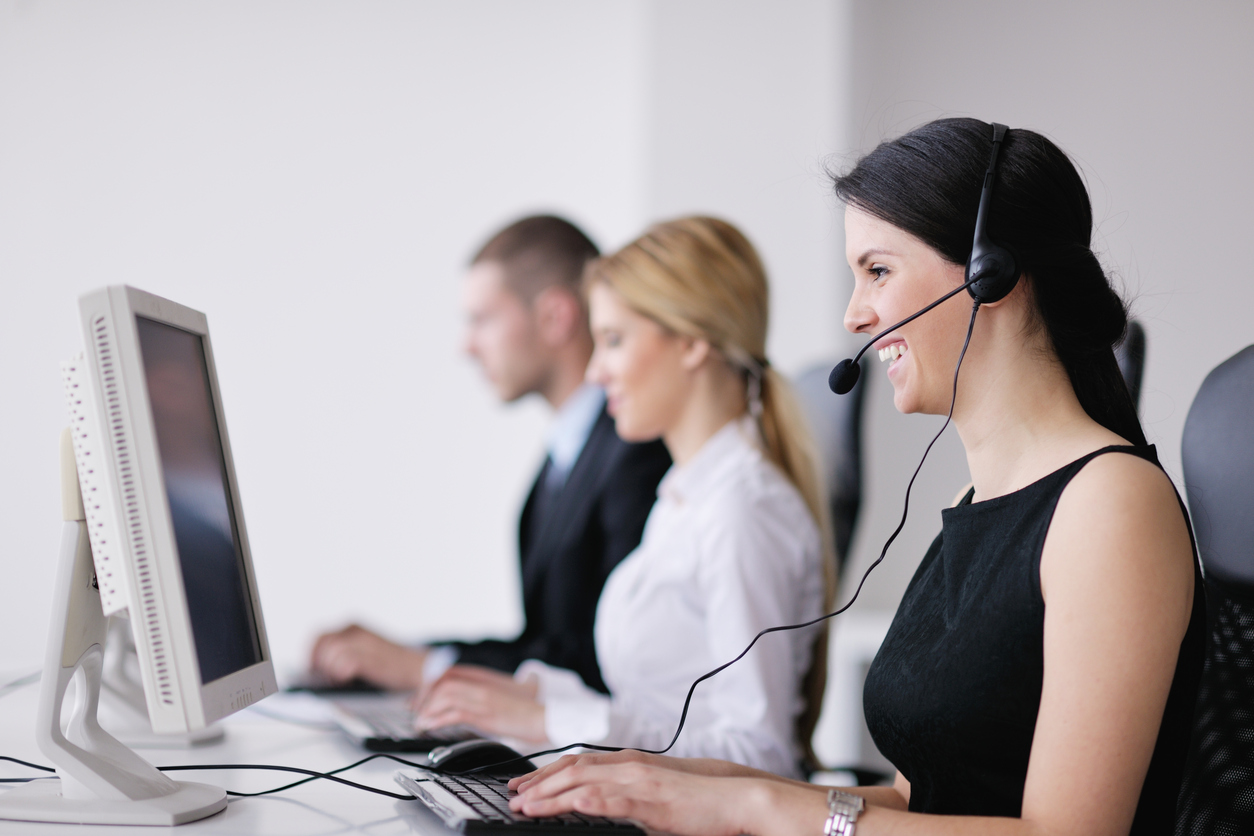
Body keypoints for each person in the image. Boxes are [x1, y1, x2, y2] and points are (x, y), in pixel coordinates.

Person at [504, 120, 1205, 836]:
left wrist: (761, 806)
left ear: (987, 271)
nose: (854, 315)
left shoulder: (1112, 506)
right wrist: (670, 782)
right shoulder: (975, 503)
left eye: (878, 270)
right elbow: (922, 802)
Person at [412, 216, 837, 777]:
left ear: (691, 342)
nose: (595, 370)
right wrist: (533, 701)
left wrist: (558, 722)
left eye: (613, 340)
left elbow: (761, 755)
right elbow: (661, 711)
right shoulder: (685, 495)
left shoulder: (742, 509)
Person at [309, 215, 672, 695]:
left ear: (554, 317)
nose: (467, 346)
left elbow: (599, 666)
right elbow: (541, 643)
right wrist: (405, 654)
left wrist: (426, 668)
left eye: (482, 319)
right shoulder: (567, 454)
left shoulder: (636, 455)